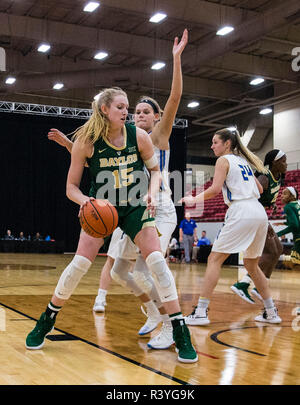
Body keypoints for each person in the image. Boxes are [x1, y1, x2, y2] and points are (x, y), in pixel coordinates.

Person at [26, 86, 197, 363]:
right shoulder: (86, 140)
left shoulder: (138, 136)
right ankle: (48, 318)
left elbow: (154, 170)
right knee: (80, 264)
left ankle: (179, 330)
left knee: (156, 260)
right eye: (120, 107)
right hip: (102, 207)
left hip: (135, 206)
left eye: (127, 107)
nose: (126, 111)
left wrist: (152, 191)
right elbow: (71, 187)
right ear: (104, 109)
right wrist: (85, 201)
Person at [48, 29, 188, 351]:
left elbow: (175, 98)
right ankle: (154, 311)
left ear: (156, 118)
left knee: (148, 267)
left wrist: (176, 60)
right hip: (127, 202)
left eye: (144, 112)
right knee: (123, 271)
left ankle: (170, 324)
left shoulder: (158, 135)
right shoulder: (121, 137)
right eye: (134, 111)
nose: (137, 116)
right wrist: (70, 145)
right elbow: (98, 161)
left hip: (159, 204)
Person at [180, 128, 281, 325]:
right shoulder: (244, 161)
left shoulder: (223, 160)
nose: (211, 146)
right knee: (251, 264)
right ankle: (271, 311)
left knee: (214, 259)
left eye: (215, 142)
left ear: (227, 144)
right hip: (259, 212)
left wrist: (194, 198)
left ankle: (201, 312)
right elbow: (260, 189)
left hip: (241, 210)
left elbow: (215, 189)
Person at [231, 149, 287, 303]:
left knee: (278, 250)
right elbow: (252, 197)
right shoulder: (264, 177)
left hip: (260, 216)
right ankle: (243, 284)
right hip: (253, 215)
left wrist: (272, 204)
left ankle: (259, 287)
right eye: (283, 161)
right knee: (271, 252)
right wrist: (265, 221)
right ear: (274, 163)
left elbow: (267, 196)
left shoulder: (278, 177)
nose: (286, 164)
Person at [275, 186, 300, 268]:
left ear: (292, 196)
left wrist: (277, 234)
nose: (282, 196)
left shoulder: (288, 207)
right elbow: (296, 221)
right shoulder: (297, 204)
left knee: (294, 261)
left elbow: (294, 225)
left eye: (285, 194)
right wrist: (283, 223)